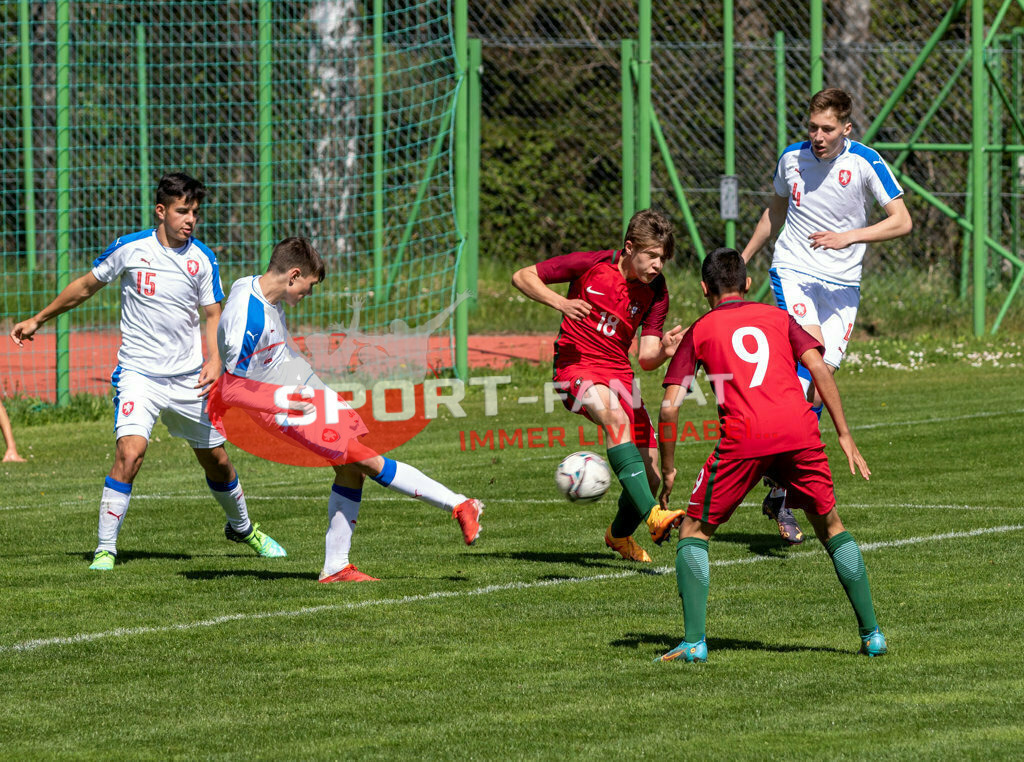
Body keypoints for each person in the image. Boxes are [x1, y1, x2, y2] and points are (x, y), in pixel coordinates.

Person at [10, 172, 286, 570]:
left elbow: (212, 314)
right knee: (130, 452)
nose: (190, 219)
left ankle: (243, 528)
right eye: (182, 211)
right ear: (161, 210)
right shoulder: (130, 248)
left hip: (190, 378)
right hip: (139, 374)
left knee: (217, 460)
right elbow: (86, 286)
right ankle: (105, 549)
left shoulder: (202, 259)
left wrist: (214, 360)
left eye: (194, 212)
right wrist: (38, 319)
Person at [655, 248, 885, 662]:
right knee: (831, 527)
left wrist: (668, 468)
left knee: (693, 533)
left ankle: (693, 643)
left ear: (704, 289)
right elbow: (818, 367)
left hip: (744, 438)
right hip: (799, 430)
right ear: (747, 284)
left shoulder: (700, 329)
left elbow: (669, 408)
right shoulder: (779, 318)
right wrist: (844, 433)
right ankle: (873, 635)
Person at [213, 236, 483, 583]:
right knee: (363, 458)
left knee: (352, 467)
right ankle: (458, 504)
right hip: (285, 407)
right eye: (309, 286)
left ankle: (336, 567)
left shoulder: (256, 288)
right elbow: (231, 388)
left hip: (303, 385)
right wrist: (280, 401)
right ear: (293, 275)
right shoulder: (246, 316)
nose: (308, 294)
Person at [740, 87, 912, 545]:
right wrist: (744, 259)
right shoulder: (791, 159)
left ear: (846, 128)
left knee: (819, 385)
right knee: (810, 363)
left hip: (843, 287)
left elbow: (902, 220)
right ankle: (780, 475)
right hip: (794, 271)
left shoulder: (866, 162)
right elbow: (775, 212)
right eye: (813, 127)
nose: (818, 136)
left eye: (828, 129)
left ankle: (778, 483)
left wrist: (848, 236)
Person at [512, 209, 686, 562]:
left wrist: (665, 351)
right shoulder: (591, 264)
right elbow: (522, 276)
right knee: (613, 417)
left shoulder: (657, 291)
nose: (657, 265)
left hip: (620, 374)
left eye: (662, 259)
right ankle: (654, 517)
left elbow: (646, 358)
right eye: (651, 255)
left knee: (651, 475)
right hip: (575, 366)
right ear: (629, 247)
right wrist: (561, 302)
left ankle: (619, 536)